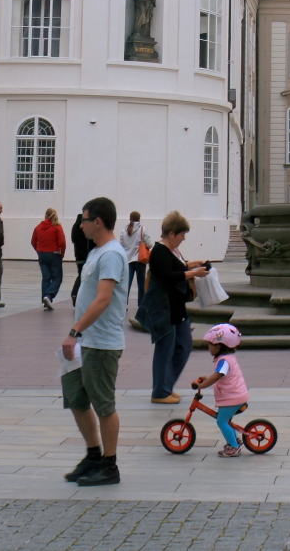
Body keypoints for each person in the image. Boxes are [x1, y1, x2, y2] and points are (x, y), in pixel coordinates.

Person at [60, 196, 130, 487]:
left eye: (84, 220)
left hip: (101, 343)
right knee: (76, 399)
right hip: (86, 341)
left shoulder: (111, 254)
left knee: (103, 404)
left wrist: (74, 331)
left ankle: (109, 465)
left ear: (97, 222)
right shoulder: (97, 252)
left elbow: (103, 300)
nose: (81, 225)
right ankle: (92, 455)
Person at [141, 210, 209, 404]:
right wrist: (192, 272)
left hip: (176, 308)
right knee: (165, 349)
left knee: (183, 346)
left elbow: (174, 268)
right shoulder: (159, 251)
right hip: (164, 308)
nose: (183, 238)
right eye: (182, 234)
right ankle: (160, 391)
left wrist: (190, 265)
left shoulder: (171, 251)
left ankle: (166, 386)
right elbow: (167, 277)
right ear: (172, 233)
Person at [192, 322, 252, 456]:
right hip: (235, 395)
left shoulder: (224, 361)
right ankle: (235, 439)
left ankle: (234, 447)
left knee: (221, 421)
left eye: (210, 345)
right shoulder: (226, 358)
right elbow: (222, 375)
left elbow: (217, 375)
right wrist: (206, 378)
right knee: (226, 419)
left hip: (232, 397)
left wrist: (202, 384)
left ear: (219, 346)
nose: (209, 348)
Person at [119, 211, 153, 320]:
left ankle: (123, 305)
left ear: (130, 218)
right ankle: (141, 305)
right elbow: (150, 244)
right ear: (139, 218)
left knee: (126, 284)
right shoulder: (142, 230)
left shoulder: (124, 230)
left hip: (128, 260)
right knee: (141, 284)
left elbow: (121, 244)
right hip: (140, 260)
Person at [32, 208, 66, 311]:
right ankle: (49, 296)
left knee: (46, 277)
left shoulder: (38, 227)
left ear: (45, 215)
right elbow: (62, 243)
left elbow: (33, 241)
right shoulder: (57, 227)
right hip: (54, 254)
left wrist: (39, 251)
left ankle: (45, 300)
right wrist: (62, 254)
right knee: (57, 277)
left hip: (42, 255)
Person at [70, 211, 91, 304]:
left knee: (81, 274)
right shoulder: (85, 226)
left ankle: (76, 294)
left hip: (78, 255)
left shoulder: (75, 227)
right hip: (86, 255)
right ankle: (76, 293)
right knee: (83, 275)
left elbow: (73, 240)